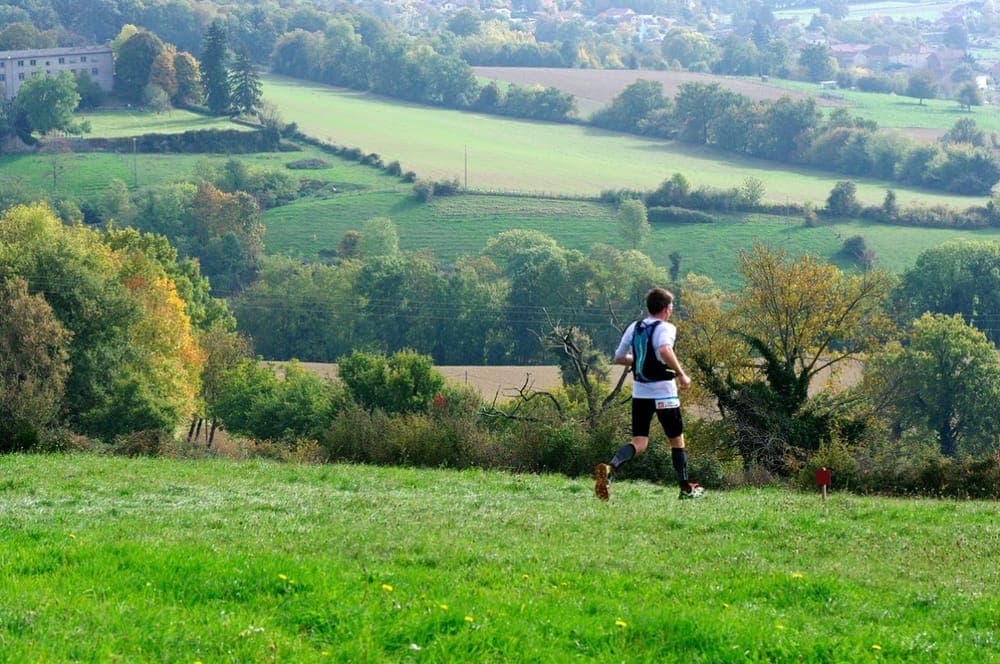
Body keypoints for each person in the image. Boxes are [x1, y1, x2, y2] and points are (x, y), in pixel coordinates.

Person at [594, 287, 704, 501]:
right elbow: (664, 350)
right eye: (671, 307)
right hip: (664, 393)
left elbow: (618, 357)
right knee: (676, 440)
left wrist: (642, 360)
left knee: (639, 442)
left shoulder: (634, 327)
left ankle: (610, 467)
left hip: (640, 393)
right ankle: (685, 488)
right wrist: (682, 374)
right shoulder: (666, 328)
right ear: (666, 309)